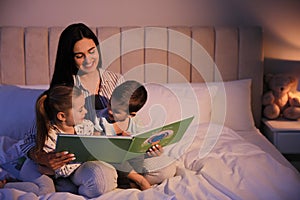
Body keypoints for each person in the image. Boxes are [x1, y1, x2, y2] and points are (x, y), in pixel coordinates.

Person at [4, 85, 117, 198]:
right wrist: (51, 169)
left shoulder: (85, 126)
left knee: (69, 187)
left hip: (59, 172)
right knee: (46, 190)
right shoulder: (50, 136)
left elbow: (98, 132)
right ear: (62, 116)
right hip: (36, 167)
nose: (86, 111)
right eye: (81, 109)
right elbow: (53, 169)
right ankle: (8, 185)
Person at [99, 80, 177, 189]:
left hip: (132, 165)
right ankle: (138, 181)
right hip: (111, 163)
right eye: (110, 104)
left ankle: (131, 183)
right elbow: (99, 149)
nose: (110, 111)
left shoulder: (136, 124)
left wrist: (153, 151)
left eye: (117, 111)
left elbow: (140, 150)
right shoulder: (100, 120)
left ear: (131, 115)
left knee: (168, 168)